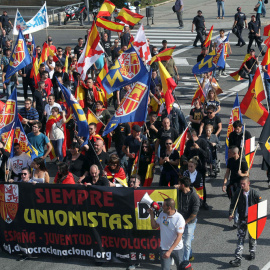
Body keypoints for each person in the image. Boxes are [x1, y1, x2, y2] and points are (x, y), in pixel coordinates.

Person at [228, 177, 261, 267]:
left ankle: (252, 251)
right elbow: (233, 204)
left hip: (252, 219)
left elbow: (261, 205)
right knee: (240, 238)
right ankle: (238, 258)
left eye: (244, 184)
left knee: (252, 237)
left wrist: (257, 217)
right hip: (242, 219)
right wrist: (231, 213)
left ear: (248, 183)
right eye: (241, 184)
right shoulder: (238, 193)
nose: (242, 186)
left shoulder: (255, 193)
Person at [148, 198, 185, 270]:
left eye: (163, 206)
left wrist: (169, 251)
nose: (161, 207)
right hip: (164, 248)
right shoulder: (162, 214)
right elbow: (154, 226)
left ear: (169, 208)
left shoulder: (179, 218)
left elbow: (179, 237)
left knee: (181, 268)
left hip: (177, 249)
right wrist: (151, 215)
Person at [175, 176, 200, 262]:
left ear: (182, 185)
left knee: (186, 243)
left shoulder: (194, 197)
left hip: (190, 223)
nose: (177, 185)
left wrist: (185, 222)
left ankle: (184, 263)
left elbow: (194, 214)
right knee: (183, 241)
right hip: (180, 221)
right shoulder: (178, 192)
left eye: (179, 184)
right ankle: (189, 255)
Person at [222, 146, 249, 227]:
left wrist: (242, 174)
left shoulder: (243, 162)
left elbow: (247, 174)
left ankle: (236, 221)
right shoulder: (230, 160)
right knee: (234, 201)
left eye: (229, 152)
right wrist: (224, 183)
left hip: (240, 185)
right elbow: (227, 172)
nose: (228, 154)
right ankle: (237, 218)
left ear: (235, 153)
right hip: (232, 184)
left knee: (237, 201)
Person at [183, 129, 209, 209]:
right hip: (190, 168)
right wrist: (184, 160)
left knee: (201, 185)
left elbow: (207, 155)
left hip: (200, 168)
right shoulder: (189, 143)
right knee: (189, 185)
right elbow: (185, 154)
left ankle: (203, 201)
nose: (187, 137)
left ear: (193, 135)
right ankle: (189, 201)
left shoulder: (203, 142)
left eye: (188, 135)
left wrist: (199, 149)